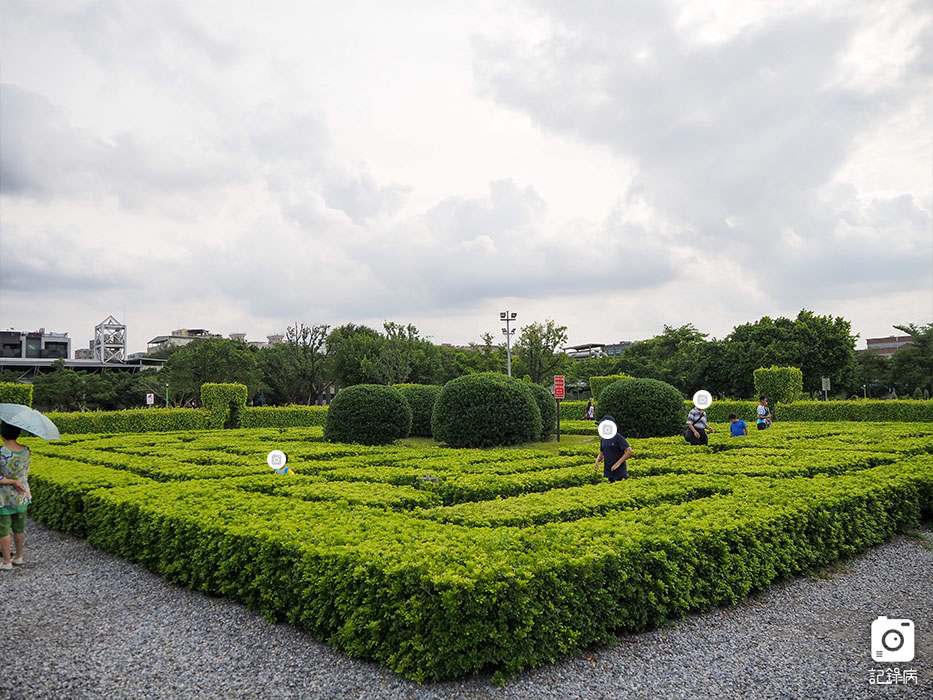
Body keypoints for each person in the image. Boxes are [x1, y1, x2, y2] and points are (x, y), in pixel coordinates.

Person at [0, 421, 31, 571]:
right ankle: (19, 556)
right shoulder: (26, 450)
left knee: (4, 529)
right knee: (19, 527)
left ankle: (6, 561)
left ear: (2, 434)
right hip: (21, 496)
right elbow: (25, 472)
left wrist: (11, 481)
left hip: (3, 498)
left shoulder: (2, 452)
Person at [594, 415, 632, 482]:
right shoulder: (603, 438)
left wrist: (618, 463)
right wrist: (597, 461)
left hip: (619, 473)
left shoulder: (618, 437)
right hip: (607, 472)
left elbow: (629, 451)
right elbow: (602, 453)